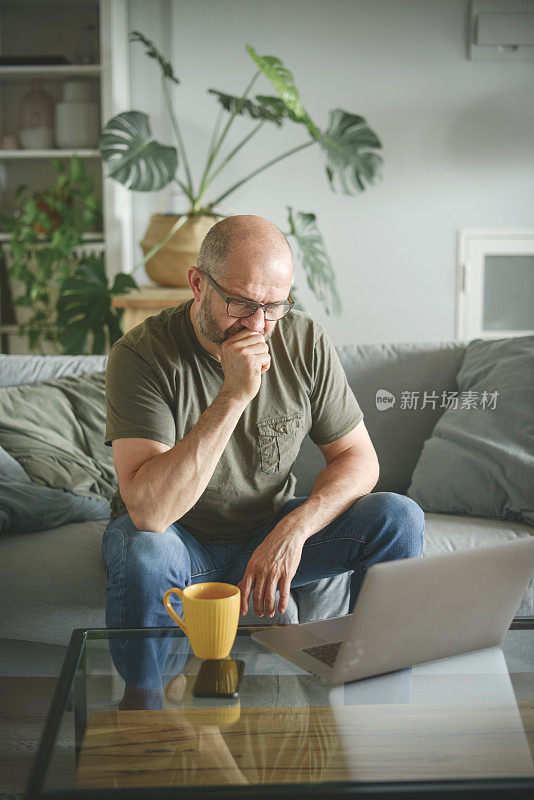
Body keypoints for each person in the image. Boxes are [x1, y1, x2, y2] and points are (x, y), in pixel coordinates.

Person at [102, 214, 424, 653]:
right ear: (198, 284)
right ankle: (146, 712)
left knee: (398, 517)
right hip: (179, 540)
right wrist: (233, 396)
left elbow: (358, 458)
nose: (258, 325)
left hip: (265, 532)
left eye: (274, 306)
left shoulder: (304, 338)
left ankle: (377, 686)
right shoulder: (141, 355)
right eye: (242, 304)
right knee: (143, 551)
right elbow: (150, 514)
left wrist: (293, 531)